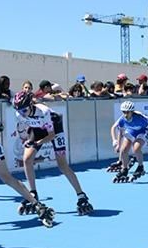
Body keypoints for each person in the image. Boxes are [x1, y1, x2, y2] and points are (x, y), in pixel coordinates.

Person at [13, 86, 94, 215]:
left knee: (62, 165)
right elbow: (24, 126)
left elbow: (51, 135)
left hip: (54, 129)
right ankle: (33, 192)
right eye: (19, 110)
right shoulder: (20, 113)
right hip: (37, 129)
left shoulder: (44, 112)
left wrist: (37, 142)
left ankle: (81, 195)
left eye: (24, 110)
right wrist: (27, 139)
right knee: (27, 160)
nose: (21, 113)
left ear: (31, 104)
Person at [109, 100, 148, 183]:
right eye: (123, 112)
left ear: (132, 112)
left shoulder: (140, 118)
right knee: (123, 150)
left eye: (127, 112)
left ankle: (140, 166)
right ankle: (124, 169)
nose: (125, 114)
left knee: (136, 148)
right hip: (131, 131)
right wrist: (118, 143)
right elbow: (121, 132)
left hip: (142, 131)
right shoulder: (122, 120)